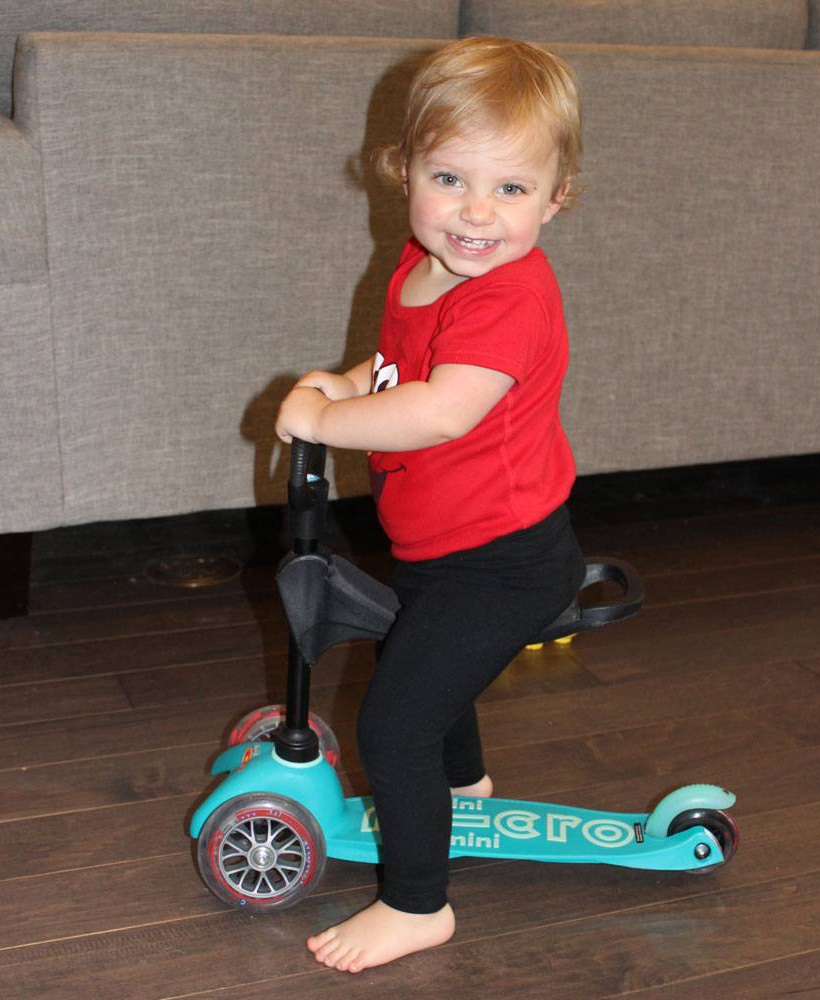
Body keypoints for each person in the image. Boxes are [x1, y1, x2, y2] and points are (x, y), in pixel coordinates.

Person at [275, 35, 585, 974]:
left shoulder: (508, 301)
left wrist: (329, 422)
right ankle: (469, 787)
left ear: (558, 196)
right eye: (450, 178)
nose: (477, 215)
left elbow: (442, 406)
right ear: (402, 168)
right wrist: (342, 378)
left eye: (512, 190)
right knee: (423, 663)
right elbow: (400, 365)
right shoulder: (422, 262)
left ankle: (418, 906)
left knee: (393, 722)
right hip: (446, 544)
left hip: (508, 557)